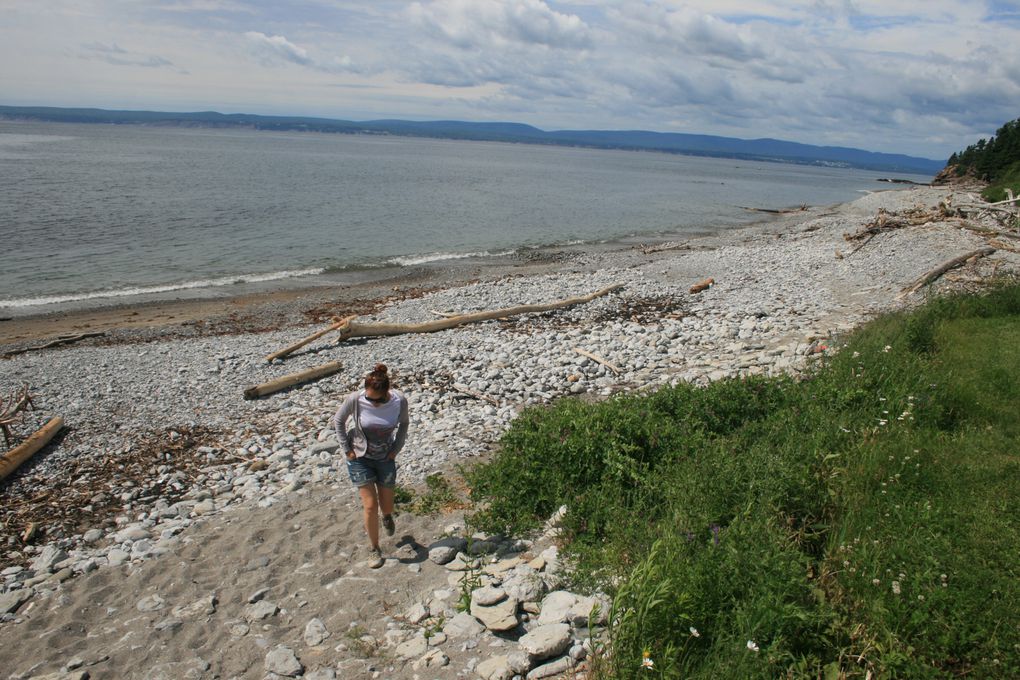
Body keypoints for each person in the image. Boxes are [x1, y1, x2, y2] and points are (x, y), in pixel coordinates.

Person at [331, 363, 409, 568]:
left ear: (385, 394)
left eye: (375, 400)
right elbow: (338, 421)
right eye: (368, 397)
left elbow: (404, 424)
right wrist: (346, 449)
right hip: (360, 457)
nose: (371, 402)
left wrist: (396, 449)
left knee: (387, 504)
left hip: (386, 457)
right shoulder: (356, 399)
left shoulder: (398, 400)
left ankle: (387, 516)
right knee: (369, 505)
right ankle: (374, 548)